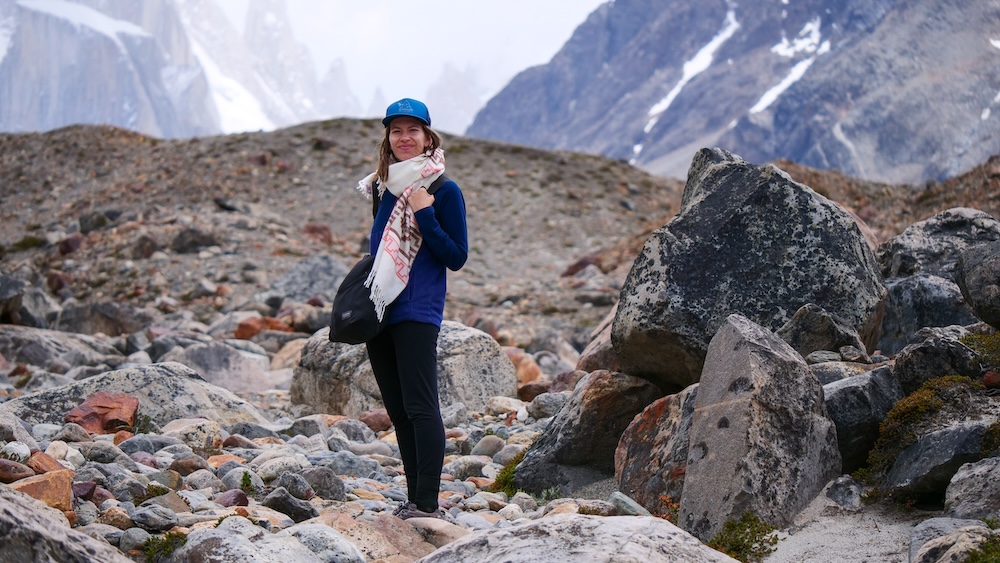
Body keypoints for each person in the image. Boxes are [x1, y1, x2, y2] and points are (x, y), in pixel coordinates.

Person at [356, 98, 468, 519]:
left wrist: (426, 215)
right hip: (381, 312)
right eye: (396, 131)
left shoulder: (443, 190)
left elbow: (456, 256)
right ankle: (413, 500)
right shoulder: (383, 188)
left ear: (427, 137)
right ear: (388, 138)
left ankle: (428, 504)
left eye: (413, 130)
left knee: (422, 408)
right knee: (399, 411)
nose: (404, 138)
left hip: (418, 312)